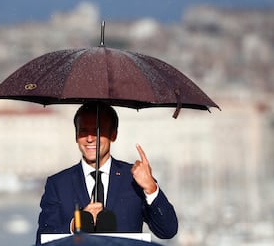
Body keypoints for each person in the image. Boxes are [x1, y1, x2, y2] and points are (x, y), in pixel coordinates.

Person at [35, 102, 178, 244]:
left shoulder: (134, 179)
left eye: (98, 130)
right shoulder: (58, 184)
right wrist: (76, 224)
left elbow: (167, 231)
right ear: (76, 135)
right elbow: (42, 240)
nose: (90, 138)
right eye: (84, 131)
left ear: (113, 135)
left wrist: (151, 188)